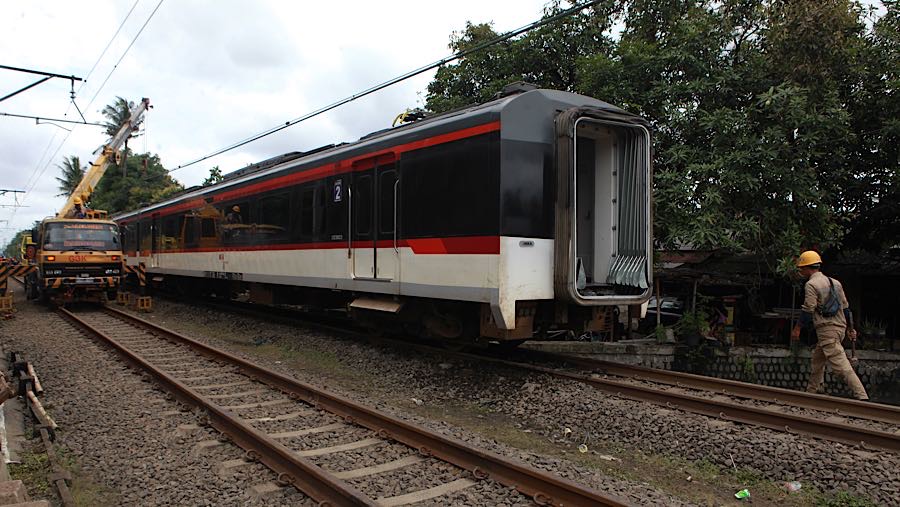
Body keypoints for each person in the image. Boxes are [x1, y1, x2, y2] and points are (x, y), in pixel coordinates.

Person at [790, 251, 868, 400]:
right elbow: (846, 308)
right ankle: (813, 391)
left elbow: (808, 310)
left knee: (841, 365)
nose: (800, 271)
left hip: (827, 329)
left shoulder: (811, 284)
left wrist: (797, 328)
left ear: (807, 268)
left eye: (801, 268)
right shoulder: (835, 282)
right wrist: (851, 328)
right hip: (840, 328)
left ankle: (862, 396)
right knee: (818, 360)